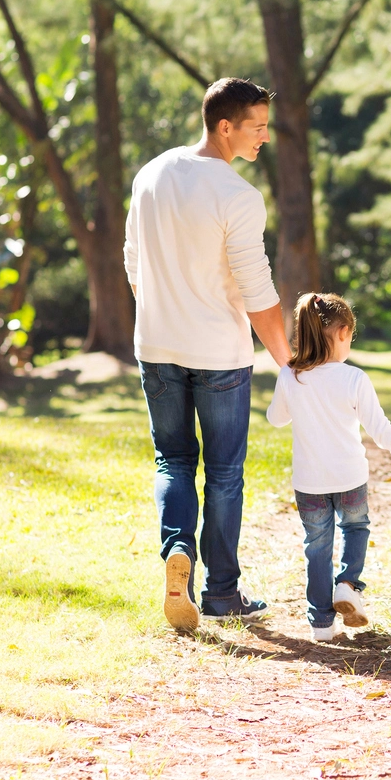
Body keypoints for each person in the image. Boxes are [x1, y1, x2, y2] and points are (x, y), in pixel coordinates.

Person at [124, 78, 292, 632]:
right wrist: (288, 362)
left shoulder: (150, 174)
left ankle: (179, 555)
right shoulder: (238, 195)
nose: (265, 136)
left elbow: (132, 260)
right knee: (223, 473)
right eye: (257, 126)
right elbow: (257, 290)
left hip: (156, 345)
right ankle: (221, 594)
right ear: (226, 126)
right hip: (219, 353)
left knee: (173, 461)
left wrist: (158, 311)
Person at [267, 293, 391, 641]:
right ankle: (346, 584)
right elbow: (381, 430)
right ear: (343, 332)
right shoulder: (354, 378)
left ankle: (321, 624)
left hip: (309, 482)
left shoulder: (291, 376)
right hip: (350, 478)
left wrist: (290, 387)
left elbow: (275, 419)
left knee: (316, 545)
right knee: (356, 527)